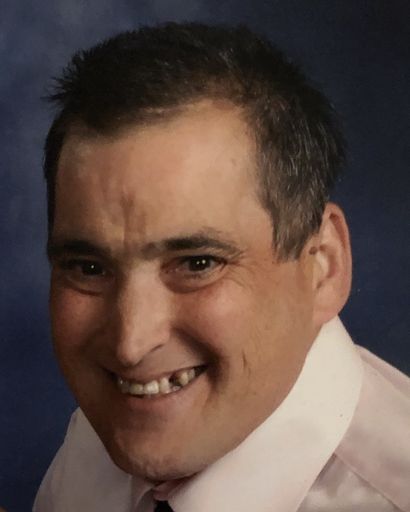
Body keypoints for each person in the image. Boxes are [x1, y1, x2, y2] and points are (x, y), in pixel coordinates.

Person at [33, 22, 409, 512]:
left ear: (323, 266)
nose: (131, 345)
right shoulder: (127, 415)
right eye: (88, 268)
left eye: (198, 263)